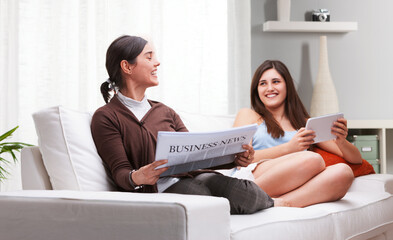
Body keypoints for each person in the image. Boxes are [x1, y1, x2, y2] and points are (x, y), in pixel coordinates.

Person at [90, 35, 276, 215]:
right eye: (149, 57)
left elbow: (195, 156)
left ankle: (274, 203)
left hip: (193, 177)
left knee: (247, 192)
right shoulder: (106, 117)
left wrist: (234, 159)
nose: (157, 63)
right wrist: (138, 176)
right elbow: (120, 172)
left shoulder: (165, 111)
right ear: (127, 66)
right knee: (199, 196)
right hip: (159, 191)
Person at [233, 60, 362, 208]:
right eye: (263, 83)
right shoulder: (249, 115)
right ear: (256, 90)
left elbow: (356, 159)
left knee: (343, 172)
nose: (269, 88)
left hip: (292, 184)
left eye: (276, 82)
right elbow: (240, 160)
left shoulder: (305, 124)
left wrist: (341, 141)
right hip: (253, 177)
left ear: (287, 86)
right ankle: (242, 197)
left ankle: (281, 204)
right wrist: (289, 148)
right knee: (313, 159)